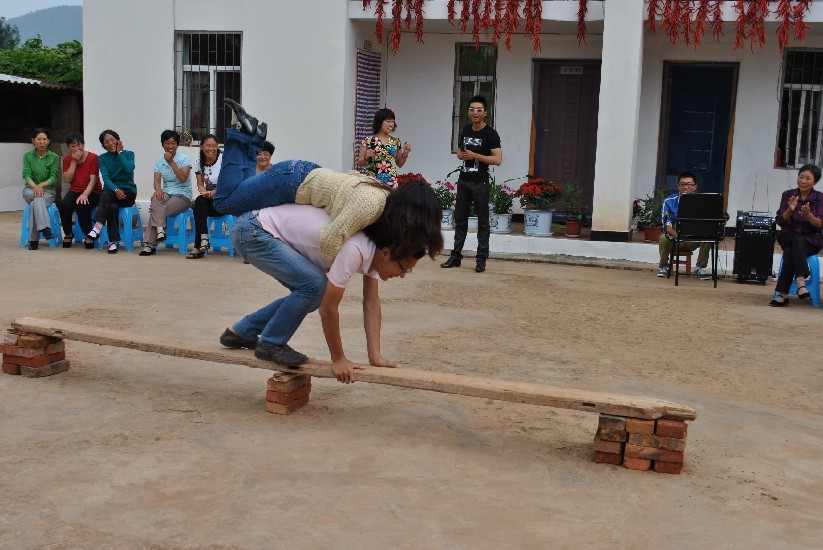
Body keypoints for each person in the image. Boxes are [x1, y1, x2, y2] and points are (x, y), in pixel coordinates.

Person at [220, 180, 443, 384]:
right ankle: (271, 342)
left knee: (312, 293)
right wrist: (339, 359)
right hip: (254, 230)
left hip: (256, 230)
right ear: (386, 253)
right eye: (403, 269)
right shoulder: (356, 248)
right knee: (316, 287)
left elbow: (371, 303)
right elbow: (329, 308)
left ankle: (241, 332)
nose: (401, 275)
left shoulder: (377, 249)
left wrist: (375, 356)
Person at [214, 98, 395, 266]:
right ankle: (240, 134)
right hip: (291, 182)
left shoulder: (379, 192)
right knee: (224, 202)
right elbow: (328, 242)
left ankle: (254, 140)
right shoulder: (370, 206)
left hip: (300, 174)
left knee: (242, 193)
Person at [440, 95, 502, 273]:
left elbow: (498, 159)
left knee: (483, 222)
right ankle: (455, 257)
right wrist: (461, 155)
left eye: (479, 110)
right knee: (460, 220)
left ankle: (481, 259)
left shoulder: (491, 134)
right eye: (472, 109)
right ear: (468, 112)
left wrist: (476, 156)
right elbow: (461, 152)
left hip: (480, 182)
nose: (475, 113)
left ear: (485, 113)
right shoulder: (466, 130)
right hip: (464, 180)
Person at [770, 163, 823, 306]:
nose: (803, 181)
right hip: (788, 236)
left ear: (815, 181)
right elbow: (780, 221)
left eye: (808, 178)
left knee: (790, 252)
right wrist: (789, 210)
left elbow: (820, 224)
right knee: (796, 240)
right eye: (801, 177)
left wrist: (809, 216)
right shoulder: (788, 195)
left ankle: (782, 294)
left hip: (811, 240)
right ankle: (801, 282)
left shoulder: (820, 198)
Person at [140, 130, 193, 256]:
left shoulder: (184, 159)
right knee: (155, 198)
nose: (170, 146)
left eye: (173, 143)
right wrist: (158, 190)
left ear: (177, 144)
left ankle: (150, 245)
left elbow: (183, 178)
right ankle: (159, 231)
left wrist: (171, 162)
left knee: (157, 211)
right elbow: (156, 181)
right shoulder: (159, 161)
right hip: (167, 192)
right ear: (162, 145)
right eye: (167, 143)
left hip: (182, 195)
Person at [87, 130, 137, 253]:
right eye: (106, 142)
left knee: (106, 196)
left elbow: (128, 168)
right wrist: (115, 189)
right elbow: (106, 178)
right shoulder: (102, 158)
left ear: (118, 140)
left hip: (127, 192)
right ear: (103, 145)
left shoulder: (129, 154)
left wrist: (120, 153)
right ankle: (113, 242)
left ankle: (97, 226)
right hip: (111, 192)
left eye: (112, 140)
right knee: (112, 206)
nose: (110, 143)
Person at [655, 171, 712, 280]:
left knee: (709, 237)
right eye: (682, 184)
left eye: (689, 184)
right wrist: (677, 235)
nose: (685, 187)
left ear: (695, 186)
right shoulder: (669, 201)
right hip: (675, 239)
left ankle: (699, 267)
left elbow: (705, 223)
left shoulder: (702, 203)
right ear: (678, 186)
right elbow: (667, 225)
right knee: (663, 238)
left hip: (693, 240)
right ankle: (664, 266)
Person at [58, 133, 101, 248]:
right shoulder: (67, 159)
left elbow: (93, 180)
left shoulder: (93, 157)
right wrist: (74, 162)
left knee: (82, 205)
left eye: (79, 145)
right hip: (75, 190)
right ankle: (68, 233)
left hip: (93, 191)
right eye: (73, 146)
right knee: (64, 205)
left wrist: (85, 194)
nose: (76, 149)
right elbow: (67, 179)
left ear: (83, 144)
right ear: (68, 147)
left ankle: (88, 234)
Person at [21, 128, 60, 250]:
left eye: (44, 139)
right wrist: (35, 187)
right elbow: (26, 175)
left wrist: (41, 186)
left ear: (48, 141)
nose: (42, 142)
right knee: (37, 197)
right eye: (39, 139)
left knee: (35, 203)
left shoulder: (54, 157)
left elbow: (54, 177)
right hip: (30, 190)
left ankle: (34, 241)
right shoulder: (28, 156)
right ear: (33, 141)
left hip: (48, 191)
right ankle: (45, 228)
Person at [187, 134, 223, 259]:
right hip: (209, 199)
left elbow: (228, 184)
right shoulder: (199, 162)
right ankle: (204, 239)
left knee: (199, 207)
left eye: (214, 146)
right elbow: (200, 184)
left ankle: (199, 247)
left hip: (224, 199)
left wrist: (215, 192)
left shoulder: (223, 160)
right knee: (199, 202)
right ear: (201, 147)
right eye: (208, 146)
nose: (211, 149)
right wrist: (205, 193)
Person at [357, 108, 411, 187]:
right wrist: (366, 157)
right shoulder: (368, 140)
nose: (391, 124)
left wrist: (405, 153)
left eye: (392, 121)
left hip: (390, 180)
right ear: (379, 122)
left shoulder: (396, 141)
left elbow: (399, 164)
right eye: (388, 121)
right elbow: (360, 163)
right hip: (372, 180)